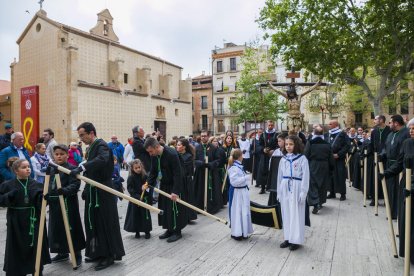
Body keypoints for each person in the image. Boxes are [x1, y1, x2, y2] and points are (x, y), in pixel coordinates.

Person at [70, 122, 125, 271]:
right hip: (93, 189)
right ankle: (97, 252)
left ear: (91, 133)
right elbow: (91, 163)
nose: (81, 138)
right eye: (79, 136)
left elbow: (102, 159)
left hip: (103, 190)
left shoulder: (101, 145)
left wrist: (82, 167)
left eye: (82, 135)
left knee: (104, 222)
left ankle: (108, 255)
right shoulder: (91, 147)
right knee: (93, 222)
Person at [0, 159, 51, 275]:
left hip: (34, 220)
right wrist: (9, 196)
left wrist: (43, 198)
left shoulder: (37, 184)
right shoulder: (7, 185)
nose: (28, 169)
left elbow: (42, 204)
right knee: (17, 247)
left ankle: (37, 270)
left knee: (35, 246)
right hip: (16, 221)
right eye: (24, 167)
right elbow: (1, 200)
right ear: (16, 171)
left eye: (28, 166)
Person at [45, 144, 85, 267]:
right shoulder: (52, 169)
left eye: (62, 154)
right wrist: (47, 195)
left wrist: (65, 190)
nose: (59, 156)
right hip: (55, 204)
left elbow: (75, 185)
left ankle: (76, 253)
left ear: (67, 155)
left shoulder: (71, 168)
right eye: (56, 154)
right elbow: (48, 183)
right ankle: (62, 252)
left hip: (68, 204)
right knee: (57, 228)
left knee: (72, 228)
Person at [381, 117, 414, 263]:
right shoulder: (407, 143)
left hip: (412, 185)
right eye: (411, 128)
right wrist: (387, 173)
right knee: (405, 218)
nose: (411, 131)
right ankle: (408, 252)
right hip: (406, 183)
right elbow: (401, 162)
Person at [144, 137, 188, 242]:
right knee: (165, 208)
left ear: (157, 147)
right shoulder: (154, 156)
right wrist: (147, 183)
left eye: (151, 151)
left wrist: (176, 191)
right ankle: (169, 229)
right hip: (164, 185)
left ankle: (177, 231)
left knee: (174, 209)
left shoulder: (172, 154)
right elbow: (153, 171)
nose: (150, 154)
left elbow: (178, 174)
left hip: (174, 185)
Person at [277, 135, 309, 251]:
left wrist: (303, 192)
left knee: (296, 213)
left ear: (296, 145)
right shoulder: (283, 159)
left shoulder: (302, 159)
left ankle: (295, 240)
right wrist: (279, 192)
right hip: (285, 186)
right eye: (286, 144)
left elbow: (306, 177)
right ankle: (287, 237)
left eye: (291, 144)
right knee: (286, 213)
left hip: (297, 186)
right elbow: (279, 177)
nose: (288, 146)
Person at [382, 114, 410, 219]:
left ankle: (397, 213)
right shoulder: (390, 134)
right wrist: (382, 154)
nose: (389, 124)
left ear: (396, 123)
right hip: (390, 164)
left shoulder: (406, 133)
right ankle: (391, 212)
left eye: (390, 122)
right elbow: (386, 146)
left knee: (397, 189)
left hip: (400, 165)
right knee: (390, 189)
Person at [304, 126, 334, 214]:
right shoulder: (327, 144)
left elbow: (306, 155)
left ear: (314, 133)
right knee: (322, 184)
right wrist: (332, 168)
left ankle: (315, 203)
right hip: (324, 165)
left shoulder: (310, 143)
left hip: (313, 165)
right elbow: (331, 158)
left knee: (313, 184)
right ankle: (320, 202)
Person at [193, 131, 223, 214]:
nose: (203, 137)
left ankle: (211, 207)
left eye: (205, 136)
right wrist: (201, 163)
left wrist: (210, 164)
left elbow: (218, 160)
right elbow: (194, 160)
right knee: (200, 189)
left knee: (212, 189)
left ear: (208, 136)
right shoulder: (197, 147)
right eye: (202, 136)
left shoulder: (213, 147)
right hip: (200, 173)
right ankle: (200, 206)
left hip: (211, 173)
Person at [227, 148, 253, 240]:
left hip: (242, 192)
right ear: (239, 156)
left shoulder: (239, 166)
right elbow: (234, 182)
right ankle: (236, 233)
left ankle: (243, 231)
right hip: (237, 193)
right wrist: (245, 178)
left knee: (243, 212)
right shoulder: (234, 167)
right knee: (237, 212)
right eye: (242, 155)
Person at [124, 159, 152, 239]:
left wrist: (146, 189)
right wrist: (138, 195)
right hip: (135, 200)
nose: (138, 169)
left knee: (145, 216)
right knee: (135, 216)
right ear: (132, 169)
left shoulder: (145, 176)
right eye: (136, 168)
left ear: (141, 167)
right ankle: (137, 231)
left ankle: (147, 231)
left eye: (139, 167)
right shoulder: (131, 178)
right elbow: (130, 189)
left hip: (144, 200)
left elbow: (149, 187)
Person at [325, 120, 350, 201]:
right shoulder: (327, 134)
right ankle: (332, 192)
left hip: (339, 159)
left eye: (330, 124)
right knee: (330, 176)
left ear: (335, 125)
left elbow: (347, 146)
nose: (328, 125)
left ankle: (343, 194)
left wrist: (339, 154)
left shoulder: (342, 134)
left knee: (340, 176)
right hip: (329, 158)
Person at [176, 138, 197, 222]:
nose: (177, 146)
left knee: (187, 198)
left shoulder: (188, 156)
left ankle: (188, 216)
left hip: (186, 181)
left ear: (184, 147)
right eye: (177, 145)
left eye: (179, 145)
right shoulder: (176, 155)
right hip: (180, 180)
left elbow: (188, 171)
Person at [257, 121, 278, 194]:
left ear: (273, 125)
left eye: (272, 125)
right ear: (267, 125)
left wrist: (274, 150)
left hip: (274, 156)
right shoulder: (263, 135)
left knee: (273, 171)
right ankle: (263, 188)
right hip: (265, 156)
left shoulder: (277, 134)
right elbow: (259, 145)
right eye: (269, 125)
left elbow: (279, 145)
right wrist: (263, 149)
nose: (270, 126)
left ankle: (272, 187)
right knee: (263, 170)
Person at [267, 133, 287, 205]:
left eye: (280, 141)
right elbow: (271, 163)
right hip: (275, 177)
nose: (278, 143)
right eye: (278, 141)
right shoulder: (276, 151)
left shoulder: (288, 152)